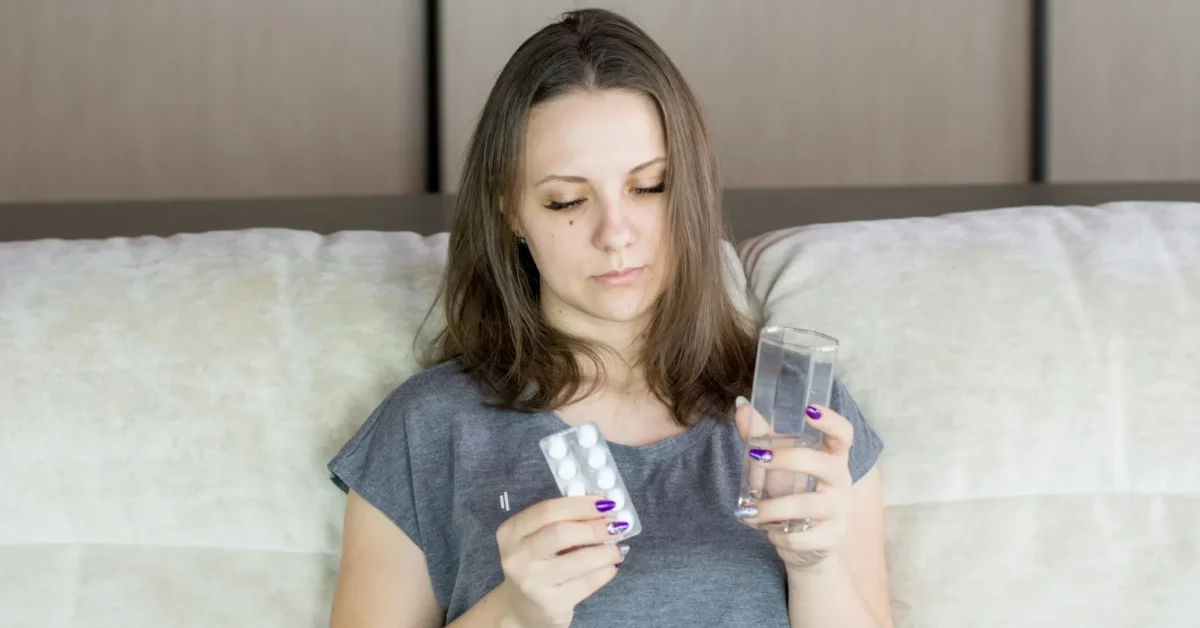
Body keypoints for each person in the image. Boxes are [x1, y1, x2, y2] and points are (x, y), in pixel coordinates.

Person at [326, 8, 891, 628]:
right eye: (567, 199)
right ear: (509, 210)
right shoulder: (428, 428)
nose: (616, 234)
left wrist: (815, 568)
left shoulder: (797, 418)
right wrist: (515, 612)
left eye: (650, 186)